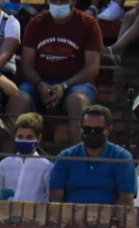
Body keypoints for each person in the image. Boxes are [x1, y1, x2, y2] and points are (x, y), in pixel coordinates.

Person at [13, 0, 101, 147]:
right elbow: (26, 65)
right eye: (54, 0)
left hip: (76, 84)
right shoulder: (36, 23)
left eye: (63, 1)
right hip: (39, 82)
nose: (58, 4)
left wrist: (64, 86)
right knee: (19, 97)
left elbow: (92, 68)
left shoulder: (88, 24)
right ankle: (6, 157)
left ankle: (78, 157)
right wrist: (40, 85)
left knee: (77, 101)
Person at [49, 106, 136, 205]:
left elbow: (126, 201)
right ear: (81, 128)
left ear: (109, 129)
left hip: (109, 218)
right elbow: (55, 200)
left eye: (98, 130)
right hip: (69, 218)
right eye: (87, 129)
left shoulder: (122, 157)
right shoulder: (65, 157)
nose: (92, 133)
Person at [0, 111, 51, 202]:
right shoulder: (4, 165)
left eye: (29, 137)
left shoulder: (47, 167)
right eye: (20, 136)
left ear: (39, 138)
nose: (24, 140)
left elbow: (49, 199)